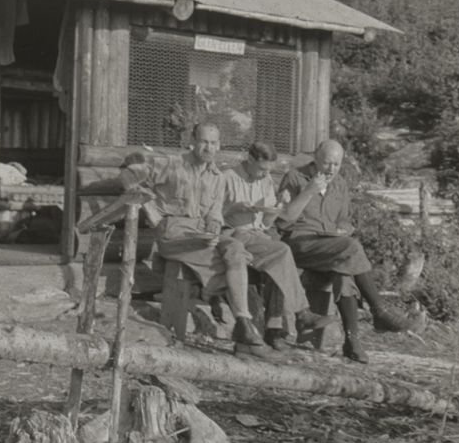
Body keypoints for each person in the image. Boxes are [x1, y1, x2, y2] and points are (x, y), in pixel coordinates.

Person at [118, 123, 273, 359]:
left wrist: (213, 223)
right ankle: (245, 330)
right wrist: (149, 209)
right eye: (203, 142)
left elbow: (215, 213)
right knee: (224, 260)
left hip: (202, 234)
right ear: (192, 141)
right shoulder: (171, 164)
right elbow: (127, 174)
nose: (208, 148)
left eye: (213, 143)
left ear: (219, 146)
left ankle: (243, 326)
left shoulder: (218, 177)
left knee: (235, 248)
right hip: (174, 233)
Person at [277, 139, 408, 364]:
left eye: (336, 165)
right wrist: (309, 191)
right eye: (327, 163)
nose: (331, 170)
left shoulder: (340, 185)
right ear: (315, 157)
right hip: (301, 244)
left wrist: (345, 228)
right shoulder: (295, 178)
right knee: (352, 247)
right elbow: (283, 221)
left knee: (345, 271)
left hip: (331, 246)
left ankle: (352, 342)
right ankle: (379, 311)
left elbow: (345, 220)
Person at [222, 142, 336, 350]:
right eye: (262, 169)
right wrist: (235, 208)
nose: (265, 174)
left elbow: (265, 223)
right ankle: (301, 314)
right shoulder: (228, 177)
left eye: (269, 170)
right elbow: (213, 214)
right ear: (250, 159)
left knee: (279, 258)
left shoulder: (265, 181)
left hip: (257, 235)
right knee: (282, 251)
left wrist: (277, 208)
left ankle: (275, 330)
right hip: (234, 235)